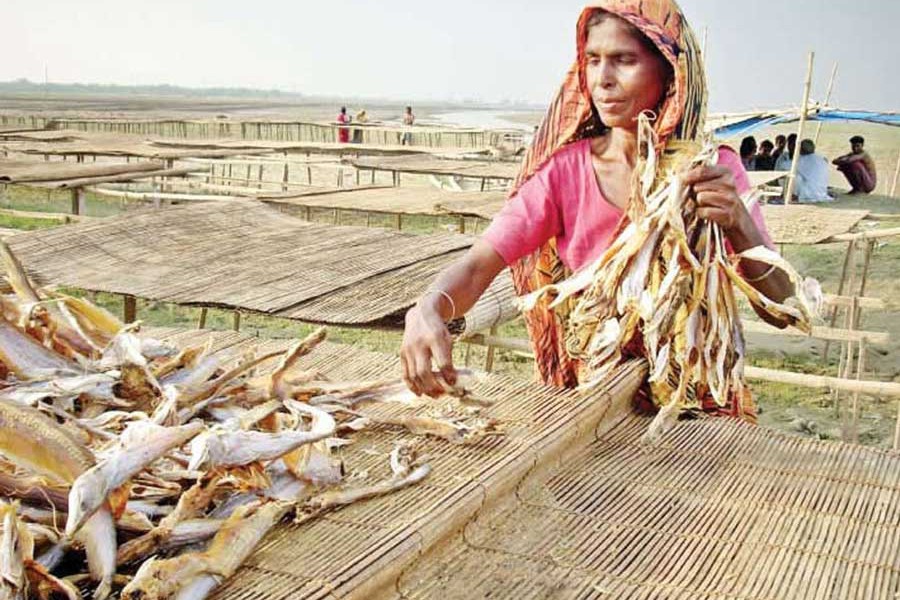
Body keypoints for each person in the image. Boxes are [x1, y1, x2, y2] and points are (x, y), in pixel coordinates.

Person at [400, 0, 792, 424]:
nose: (603, 79)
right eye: (592, 61)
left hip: (697, 408)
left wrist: (739, 224)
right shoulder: (564, 174)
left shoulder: (711, 171)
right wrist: (428, 309)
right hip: (597, 407)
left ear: (669, 71)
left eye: (624, 61)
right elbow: (479, 265)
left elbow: (782, 308)